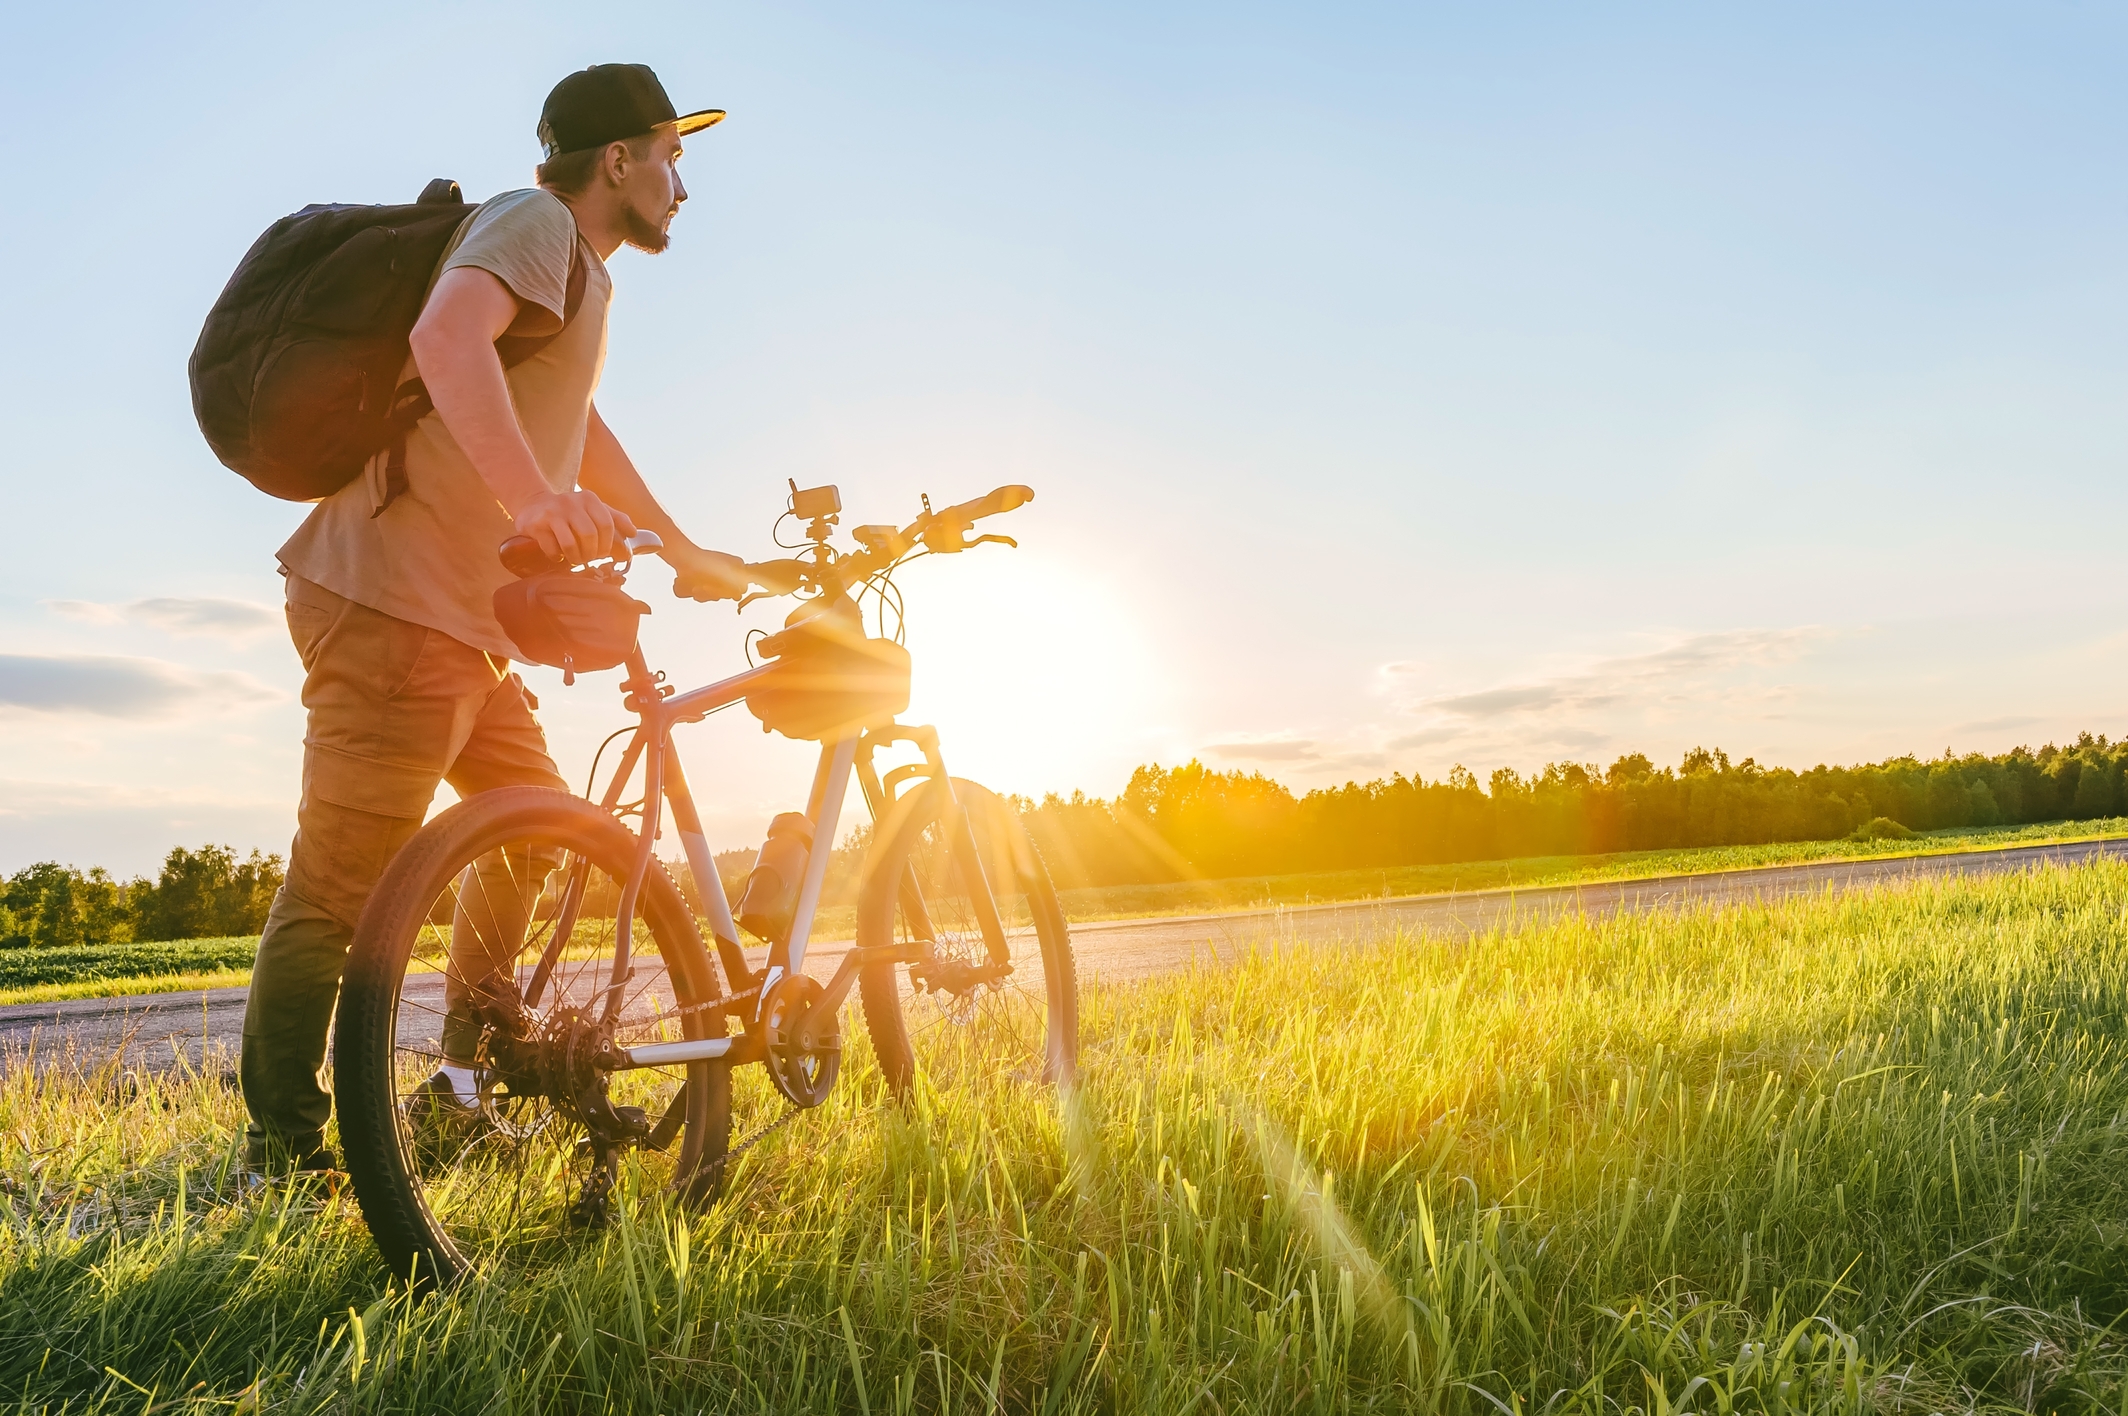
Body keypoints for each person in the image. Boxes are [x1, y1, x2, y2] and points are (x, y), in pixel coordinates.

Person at [242, 63, 749, 1176]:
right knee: (338, 885)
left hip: (459, 626)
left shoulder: (578, 275)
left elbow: (577, 431)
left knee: (531, 837)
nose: (681, 183)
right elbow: (445, 340)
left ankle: (462, 1083)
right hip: (390, 603)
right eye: (671, 156)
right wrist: (534, 503)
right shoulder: (533, 222)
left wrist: (679, 545)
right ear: (616, 159)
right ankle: (280, 1149)